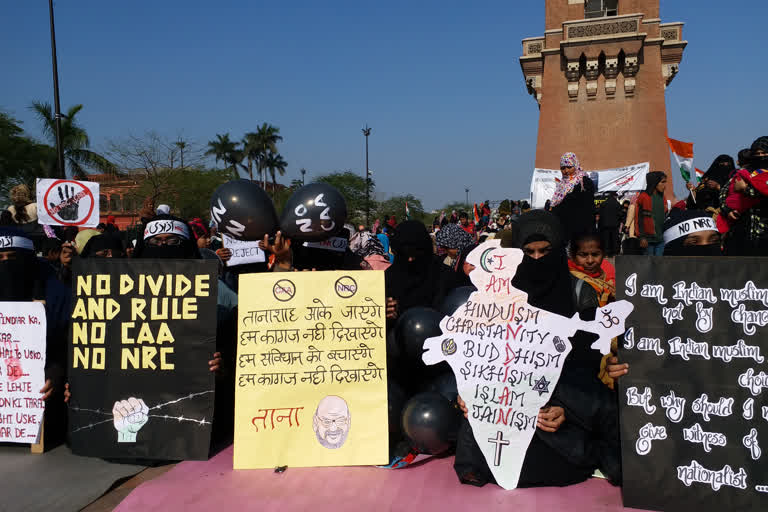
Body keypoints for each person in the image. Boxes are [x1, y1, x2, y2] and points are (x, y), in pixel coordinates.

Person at [453, 210, 621, 488]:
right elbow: (482, 355)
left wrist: (566, 410)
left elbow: (587, 369)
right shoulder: (499, 296)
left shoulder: (580, 293)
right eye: (528, 252)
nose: (537, 260)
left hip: (561, 417)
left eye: (545, 251)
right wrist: (470, 391)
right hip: (505, 413)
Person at [1, 227, 71, 444]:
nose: (5, 263)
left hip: (38, 411)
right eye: (0, 258)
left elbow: (68, 343)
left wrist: (57, 375)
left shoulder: (58, 293)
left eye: (13, 258)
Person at [720, 136, 768, 255]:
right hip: (742, 229)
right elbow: (724, 192)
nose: (761, 156)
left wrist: (745, 189)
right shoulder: (745, 172)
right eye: (758, 153)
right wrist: (727, 210)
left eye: (764, 152)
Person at [550, 152, 596, 243]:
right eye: (563, 168)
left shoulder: (584, 182)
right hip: (563, 230)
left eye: (569, 167)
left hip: (580, 231)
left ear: (576, 165)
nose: (566, 171)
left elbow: (588, 208)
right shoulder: (561, 185)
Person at [634, 171, 668, 255]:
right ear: (654, 182)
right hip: (648, 241)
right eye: (662, 182)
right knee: (649, 266)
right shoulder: (643, 197)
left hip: (660, 240)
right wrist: (641, 237)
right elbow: (638, 219)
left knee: (659, 265)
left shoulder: (662, 197)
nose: (665, 185)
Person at [598, 192, 621, 257]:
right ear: (614, 196)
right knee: (614, 239)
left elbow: (601, 215)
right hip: (614, 225)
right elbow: (620, 215)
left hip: (605, 225)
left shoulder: (603, 204)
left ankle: (606, 253)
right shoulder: (617, 204)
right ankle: (614, 253)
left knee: (606, 239)